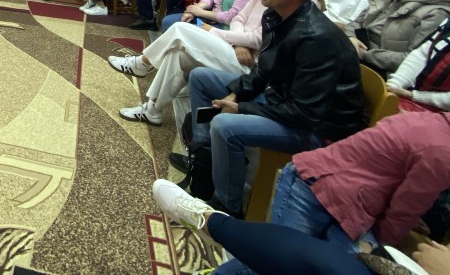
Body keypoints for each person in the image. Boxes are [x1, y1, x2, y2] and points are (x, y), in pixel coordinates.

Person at [154, 110, 450, 275]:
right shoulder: (442, 151)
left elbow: (391, 177)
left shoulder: (431, 121)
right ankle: (210, 222)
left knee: (293, 261)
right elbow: (402, 213)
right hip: (320, 186)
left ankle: (212, 223)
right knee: (272, 263)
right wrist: (384, 254)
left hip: (352, 201)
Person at [181, 0, 366, 219]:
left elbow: (306, 113)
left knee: (225, 125)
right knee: (201, 77)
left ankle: (227, 207)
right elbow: (264, 70)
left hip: (317, 128)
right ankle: (204, 161)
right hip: (282, 101)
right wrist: (237, 92)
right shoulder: (276, 16)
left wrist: (242, 108)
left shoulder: (316, 38)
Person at [110, 0, 307, 126]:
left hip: (252, 67)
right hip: (237, 48)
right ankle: (152, 110)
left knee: (180, 29)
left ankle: (142, 63)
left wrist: (213, 31)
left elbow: (258, 38)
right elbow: (239, 18)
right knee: (177, 55)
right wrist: (239, 43)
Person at [347, 0, 450, 77]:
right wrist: (351, 38)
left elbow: (414, 59)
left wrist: (364, 54)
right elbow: (354, 24)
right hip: (359, 59)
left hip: (388, 74)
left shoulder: (436, 12)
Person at [388, 18, 450, 112]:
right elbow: (422, 54)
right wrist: (392, 87)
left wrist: (412, 95)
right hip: (411, 95)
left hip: (441, 112)